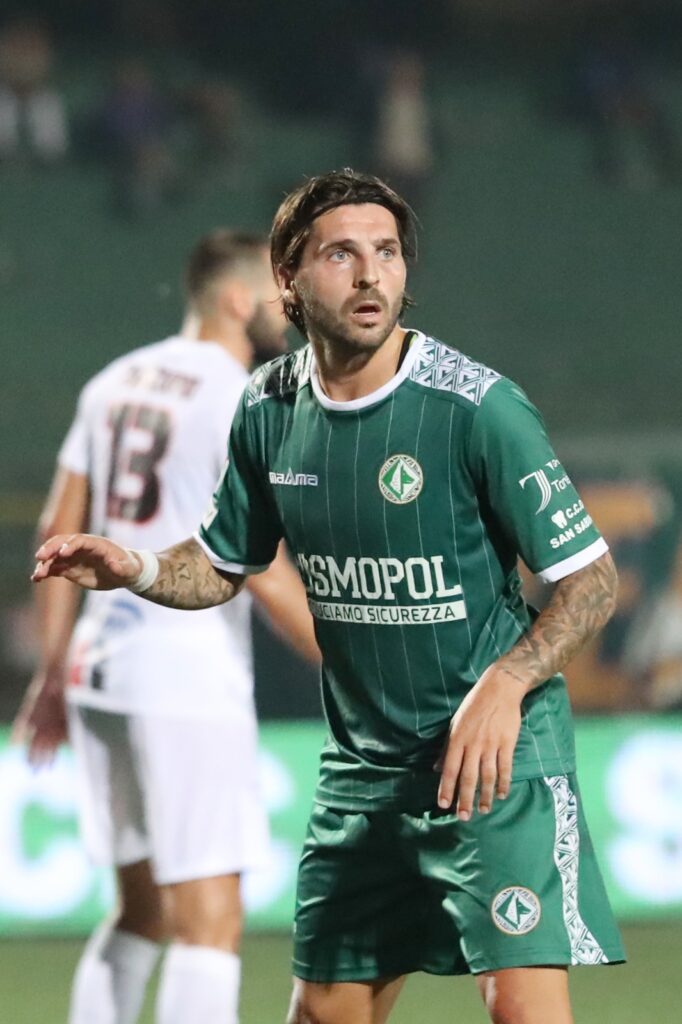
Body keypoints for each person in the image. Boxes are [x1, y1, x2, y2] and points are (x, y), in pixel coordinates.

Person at [31, 170, 625, 1024]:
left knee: (523, 1014)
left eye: (387, 252)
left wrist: (506, 683)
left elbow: (591, 579)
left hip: (493, 768)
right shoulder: (266, 407)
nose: (372, 273)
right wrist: (137, 566)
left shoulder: (478, 408)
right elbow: (223, 564)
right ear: (288, 278)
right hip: (363, 778)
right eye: (342, 254)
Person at [15, 229, 319, 1024]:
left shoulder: (114, 381)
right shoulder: (240, 397)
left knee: (142, 909)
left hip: (100, 670)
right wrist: (344, 655)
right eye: (278, 297)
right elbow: (256, 563)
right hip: (186, 671)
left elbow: (56, 529)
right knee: (210, 922)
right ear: (237, 299)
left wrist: (51, 673)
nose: (288, 312)